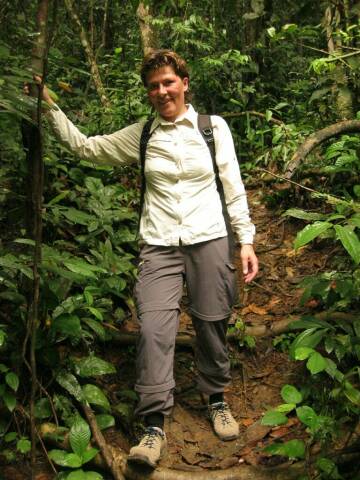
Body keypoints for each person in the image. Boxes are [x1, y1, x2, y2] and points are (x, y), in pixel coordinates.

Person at [39, 49, 258, 469]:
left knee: (212, 320)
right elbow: (87, 148)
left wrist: (245, 240)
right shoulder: (143, 134)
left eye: (168, 82)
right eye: (154, 86)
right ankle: (154, 423)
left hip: (209, 235)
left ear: (185, 83)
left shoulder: (213, 129)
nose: (161, 91)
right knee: (154, 329)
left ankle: (215, 397)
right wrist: (50, 107)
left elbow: (233, 185)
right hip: (158, 242)